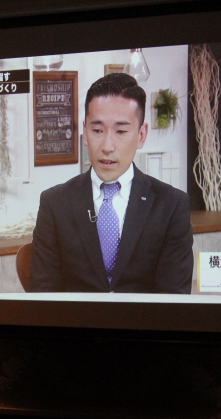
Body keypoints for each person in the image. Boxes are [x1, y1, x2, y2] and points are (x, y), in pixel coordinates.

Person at [30, 73, 194, 294]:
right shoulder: (55, 203)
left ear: (141, 135)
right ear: (85, 132)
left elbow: (173, 299)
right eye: (97, 131)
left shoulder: (171, 205)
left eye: (121, 131)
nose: (107, 146)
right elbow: (42, 294)